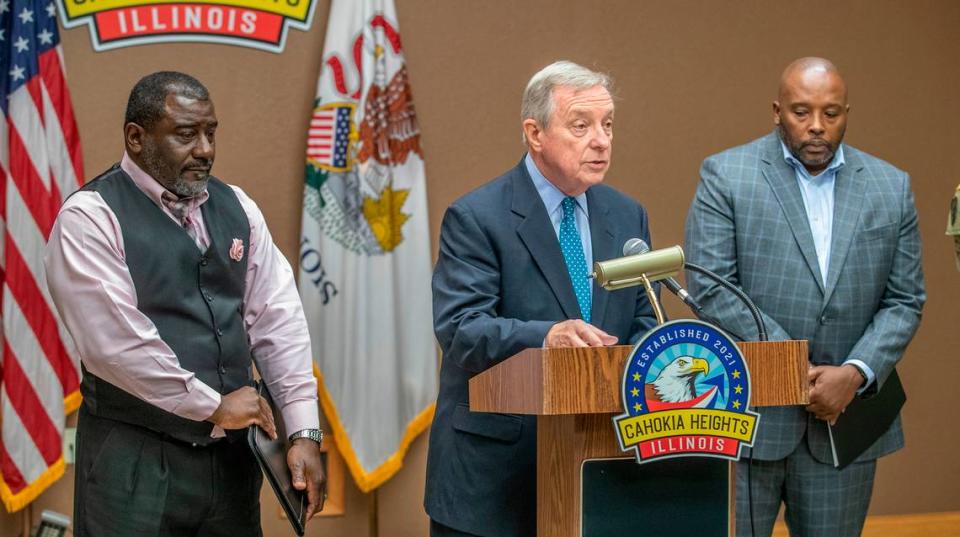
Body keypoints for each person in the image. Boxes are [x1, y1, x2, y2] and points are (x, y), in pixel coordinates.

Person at [44, 71, 326, 537]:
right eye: (185, 134)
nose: (205, 149)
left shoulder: (239, 208)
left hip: (231, 464)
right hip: (132, 463)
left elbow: (279, 322)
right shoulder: (89, 218)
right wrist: (215, 405)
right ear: (136, 138)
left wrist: (303, 430)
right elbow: (117, 346)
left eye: (210, 132)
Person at [684, 57, 925, 536]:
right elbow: (711, 287)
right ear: (777, 111)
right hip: (748, 415)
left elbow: (905, 300)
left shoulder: (891, 186)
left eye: (831, 113)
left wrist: (854, 374)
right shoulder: (727, 176)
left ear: (847, 113)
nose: (816, 126)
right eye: (801, 112)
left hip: (844, 417)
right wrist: (794, 364)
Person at [424, 60, 659, 537]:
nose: (602, 139)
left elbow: (642, 317)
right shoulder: (478, 217)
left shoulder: (627, 215)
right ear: (535, 133)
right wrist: (548, 336)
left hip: (600, 468)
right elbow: (461, 329)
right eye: (582, 125)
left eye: (608, 124)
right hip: (495, 479)